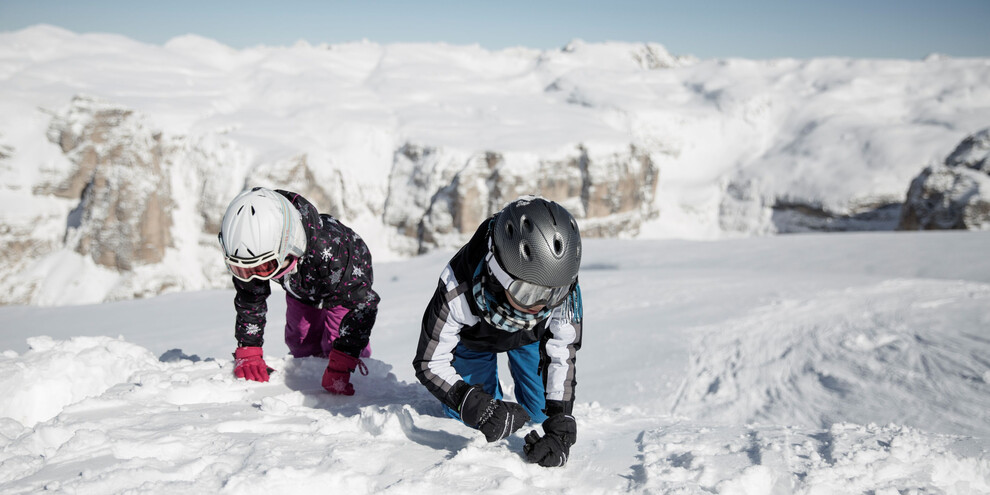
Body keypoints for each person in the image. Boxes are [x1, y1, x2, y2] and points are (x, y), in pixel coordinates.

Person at [413, 196, 583, 467]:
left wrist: (560, 421)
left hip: (529, 340)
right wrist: (475, 406)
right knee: (470, 419)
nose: (541, 306)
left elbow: (562, 351)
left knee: (540, 412)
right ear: (498, 273)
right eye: (528, 292)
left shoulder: (561, 288)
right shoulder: (458, 288)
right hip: (474, 341)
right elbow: (430, 362)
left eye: (554, 294)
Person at [218, 187, 379, 395]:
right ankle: (312, 374)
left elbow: (362, 304)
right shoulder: (254, 254)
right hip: (301, 286)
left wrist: (344, 360)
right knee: (300, 339)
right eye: (242, 270)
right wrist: (249, 347)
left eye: (266, 269)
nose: (255, 277)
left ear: (291, 244)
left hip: (344, 291)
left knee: (336, 339)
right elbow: (251, 297)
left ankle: (355, 377)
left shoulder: (331, 252)